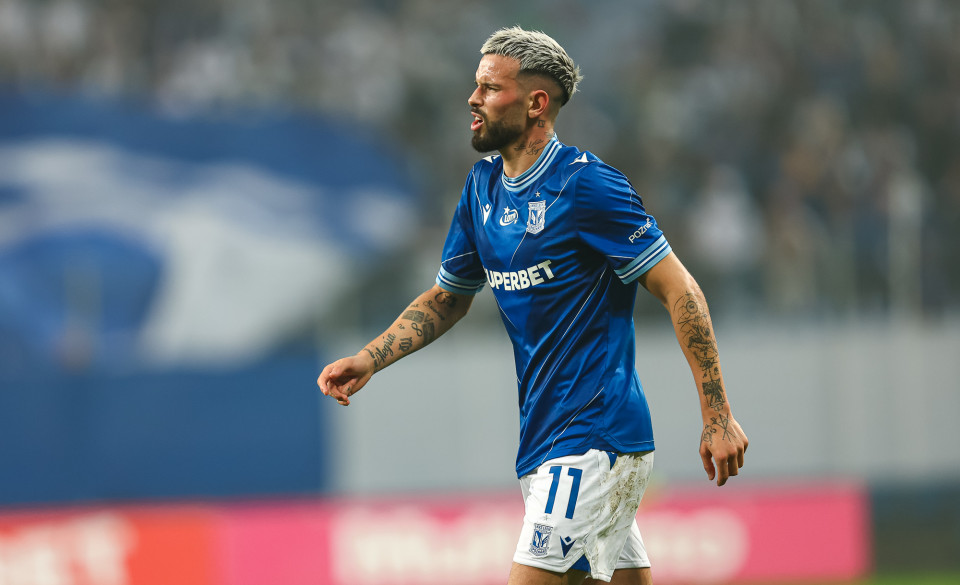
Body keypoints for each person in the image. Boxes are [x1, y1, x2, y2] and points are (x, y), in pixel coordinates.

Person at [317, 26, 748, 585]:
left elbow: (680, 289)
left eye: (490, 88)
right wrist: (370, 358)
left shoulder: (587, 186)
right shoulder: (481, 189)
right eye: (476, 85)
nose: (473, 99)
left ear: (536, 103)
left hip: (593, 438)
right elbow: (447, 299)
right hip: (546, 442)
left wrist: (717, 415)